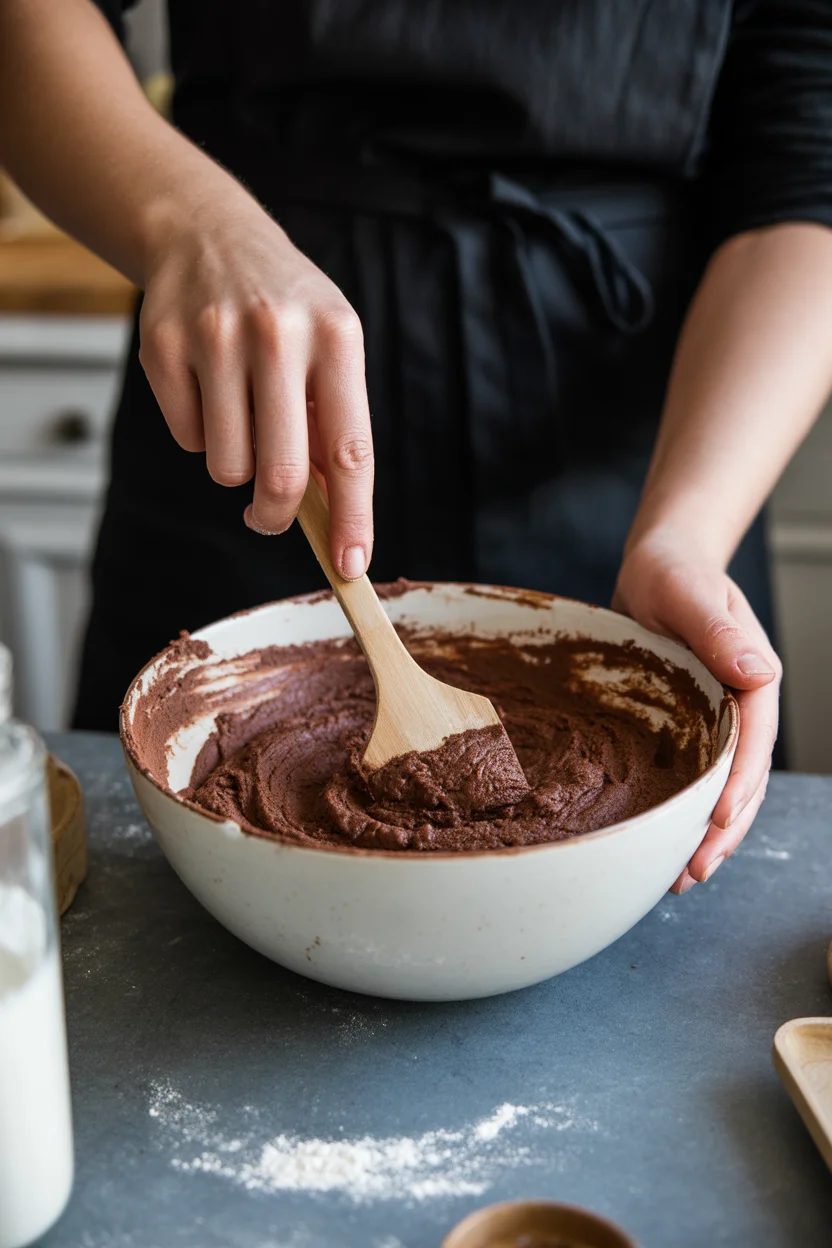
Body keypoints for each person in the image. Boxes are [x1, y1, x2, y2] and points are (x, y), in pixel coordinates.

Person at [2, 1, 831, 894]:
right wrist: (189, 224)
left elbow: (807, 167)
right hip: (254, 365)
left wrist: (687, 534)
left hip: (664, 430)